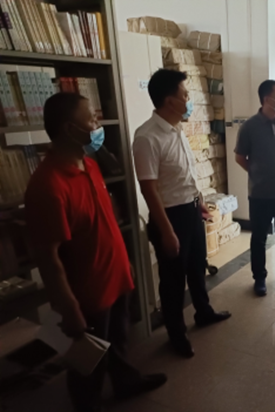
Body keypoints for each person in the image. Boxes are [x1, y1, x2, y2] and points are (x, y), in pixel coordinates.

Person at [25, 93, 167, 412]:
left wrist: (124, 263)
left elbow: (105, 224)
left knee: (118, 341)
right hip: (87, 294)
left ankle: (125, 382)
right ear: (68, 129)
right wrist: (68, 308)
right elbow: (48, 258)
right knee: (87, 362)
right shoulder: (48, 186)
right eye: (90, 119)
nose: (97, 124)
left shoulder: (89, 164)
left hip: (115, 277)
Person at [132, 69, 231, 358]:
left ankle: (203, 312)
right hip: (169, 217)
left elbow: (184, 175)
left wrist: (197, 200)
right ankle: (176, 333)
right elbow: (149, 190)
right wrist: (166, 231)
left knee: (197, 267)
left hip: (190, 210)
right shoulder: (147, 137)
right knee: (173, 280)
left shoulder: (177, 130)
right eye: (185, 95)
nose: (189, 100)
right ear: (169, 101)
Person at [234, 80, 275, 297]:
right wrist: (258, 173)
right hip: (260, 195)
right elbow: (240, 157)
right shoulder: (249, 126)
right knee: (259, 238)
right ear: (266, 99)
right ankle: (259, 277)